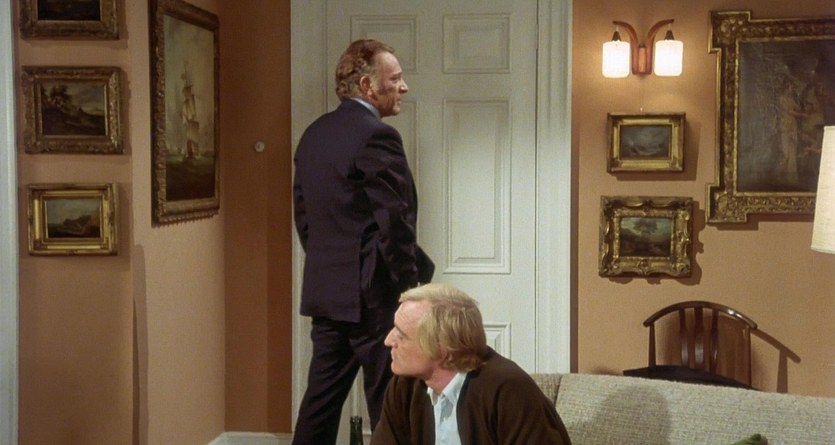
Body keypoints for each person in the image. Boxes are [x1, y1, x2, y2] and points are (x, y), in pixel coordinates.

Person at [292, 39, 434, 445]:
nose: (403, 87)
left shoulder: (314, 134)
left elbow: (304, 218)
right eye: (396, 78)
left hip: (327, 292)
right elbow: (395, 222)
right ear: (368, 86)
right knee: (391, 404)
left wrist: (334, 266)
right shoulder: (378, 136)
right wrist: (409, 290)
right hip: (374, 297)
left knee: (319, 405)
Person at [371, 283, 572, 445]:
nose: (388, 341)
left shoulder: (508, 391)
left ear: (441, 346)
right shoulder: (404, 387)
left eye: (402, 335)